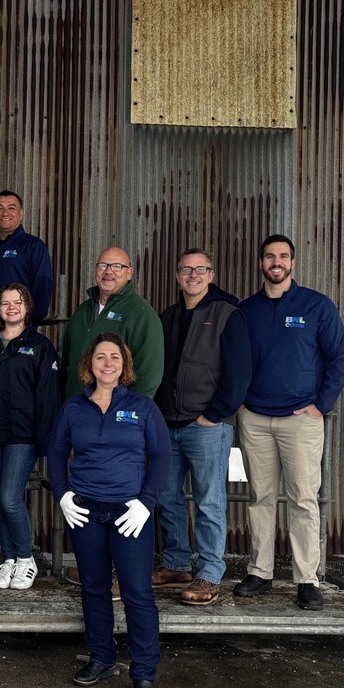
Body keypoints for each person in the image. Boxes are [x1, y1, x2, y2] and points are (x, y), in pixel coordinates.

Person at [47, 332, 171, 688]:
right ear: (90, 364)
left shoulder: (143, 407)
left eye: (114, 357)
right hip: (86, 511)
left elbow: (162, 457)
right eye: (100, 357)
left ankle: (144, 673)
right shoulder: (73, 408)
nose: (107, 363)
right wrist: (63, 495)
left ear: (124, 364)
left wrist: (146, 504)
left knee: (137, 592)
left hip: (129, 513)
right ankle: (101, 659)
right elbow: (55, 453)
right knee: (94, 588)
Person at [233, 235, 344, 611]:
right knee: (260, 498)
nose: (276, 262)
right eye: (269, 256)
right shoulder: (246, 309)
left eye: (283, 256)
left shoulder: (316, 305)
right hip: (254, 417)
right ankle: (260, 572)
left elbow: (340, 353)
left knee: (303, 499)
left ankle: (307, 578)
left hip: (301, 419)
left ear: (293, 263)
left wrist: (321, 404)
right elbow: (233, 360)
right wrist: (238, 405)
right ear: (260, 263)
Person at [153, 249, 251, 606]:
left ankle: (209, 574)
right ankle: (177, 564)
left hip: (208, 425)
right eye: (186, 269)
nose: (192, 275)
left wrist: (214, 414)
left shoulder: (227, 314)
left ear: (211, 275)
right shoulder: (169, 315)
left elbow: (240, 373)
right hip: (168, 423)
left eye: (200, 270)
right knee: (166, 496)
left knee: (210, 500)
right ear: (178, 276)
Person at [0, 284, 60, 590]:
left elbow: (48, 397)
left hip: (23, 434)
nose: (11, 307)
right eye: (5, 302)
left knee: (8, 497)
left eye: (17, 302)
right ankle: (9, 561)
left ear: (27, 307)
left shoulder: (40, 347)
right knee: (2, 500)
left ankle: (26, 558)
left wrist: (45, 441)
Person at [61, 247, 163, 399]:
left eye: (117, 266)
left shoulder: (141, 313)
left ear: (129, 273)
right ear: (96, 270)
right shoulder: (82, 311)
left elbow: (149, 374)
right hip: (75, 408)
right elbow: (67, 362)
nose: (108, 272)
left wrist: (130, 412)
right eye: (103, 265)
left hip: (113, 413)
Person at [0, 190, 54, 321]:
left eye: (11, 208)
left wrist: (28, 322)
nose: (5, 213)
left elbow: (42, 289)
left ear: (21, 214)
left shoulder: (34, 246)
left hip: (20, 327)